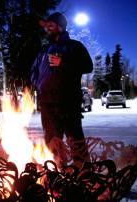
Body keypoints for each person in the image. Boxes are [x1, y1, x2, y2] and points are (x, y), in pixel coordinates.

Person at [31, 12, 93, 168]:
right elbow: (34, 72)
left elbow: (87, 66)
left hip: (68, 102)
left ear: (60, 27)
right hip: (47, 104)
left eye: (50, 26)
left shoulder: (75, 46)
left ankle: (84, 175)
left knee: (75, 140)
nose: (47, 29)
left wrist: (63, 62)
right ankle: (57, 175)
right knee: (52, 142)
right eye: (46, 27)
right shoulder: (44, 50)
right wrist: (38, 86)